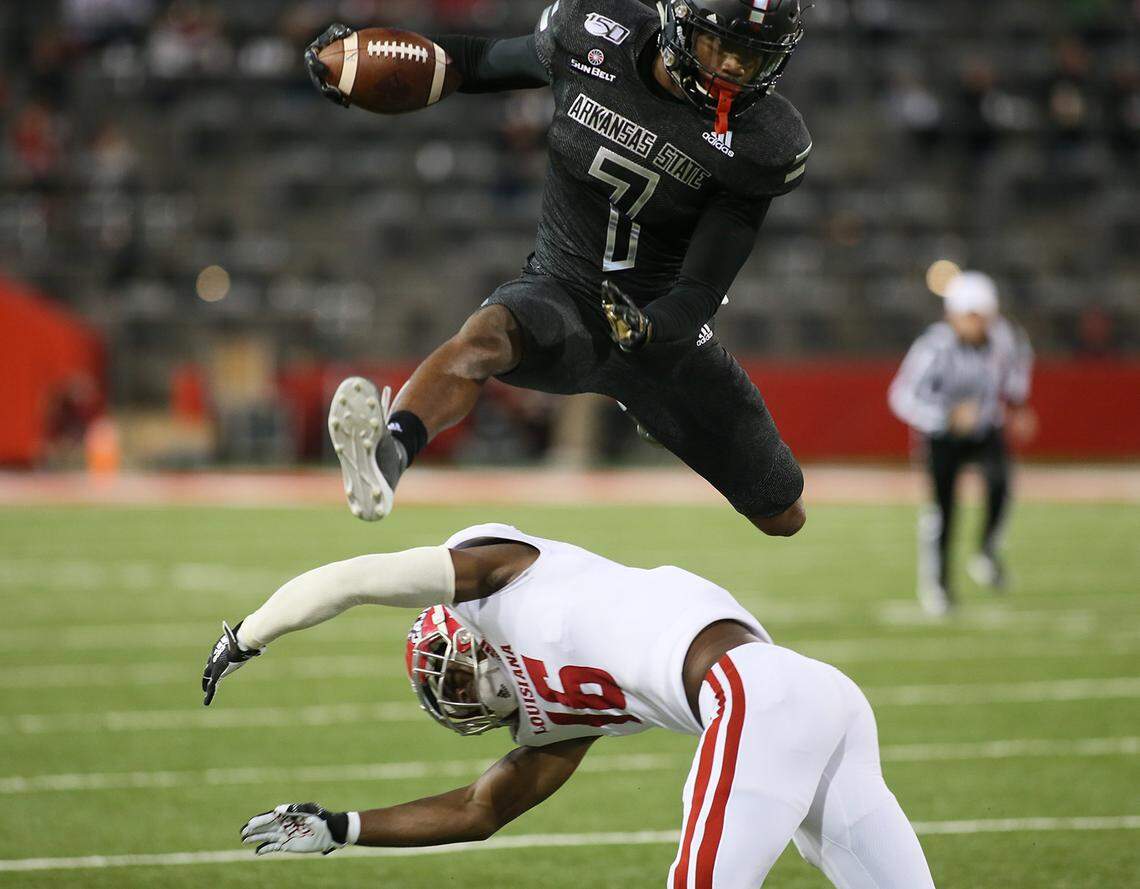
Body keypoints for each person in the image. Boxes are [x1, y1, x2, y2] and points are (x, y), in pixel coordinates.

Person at [307, 0, 814, 537]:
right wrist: (363, 60)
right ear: (679, 21)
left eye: (753, 58)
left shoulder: (765, 141)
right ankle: (388, 455)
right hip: (561, 288)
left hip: (660, 326)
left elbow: (702, 287)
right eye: (724, 46)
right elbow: (474, 62)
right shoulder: (592, 33)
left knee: (782, 515)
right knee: (484, 338)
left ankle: (648, 408)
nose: (734, 68)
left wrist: (651, 328)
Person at [201, 524, 936, 888]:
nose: (460, 694)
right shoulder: (554, 718)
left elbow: (357, 577)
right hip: (807, 701)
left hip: (755, 696)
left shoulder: (501, 574)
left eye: (451, 675)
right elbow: (478, 810)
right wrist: (343, 827)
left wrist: (250, 633)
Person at [888, 271, 1035, 616]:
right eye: (971, 315)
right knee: (944, 511)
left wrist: (1018, 406)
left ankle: (986, 549)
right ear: (952, 315)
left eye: (982, 315)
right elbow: (901, 396)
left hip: (985, 426)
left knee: (1001, 484)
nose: (978, 323)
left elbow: (1016, 370)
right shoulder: (934, 347)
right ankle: (938, 584)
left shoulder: (1004, 338)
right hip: (941, 437)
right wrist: (945, 416)